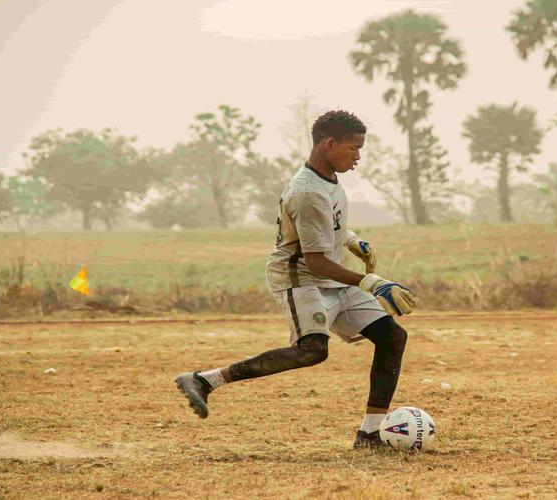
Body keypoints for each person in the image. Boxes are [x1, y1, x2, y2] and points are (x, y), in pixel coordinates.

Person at [175, 110, 418, 449]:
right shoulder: (307, 192)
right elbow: (315, 260)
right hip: (300, 278)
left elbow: (323, 225)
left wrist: (350, 240)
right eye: (354, 148)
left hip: (330, 278)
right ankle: (204, 380)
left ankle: (370, 433)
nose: (358, 157)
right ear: (329, 144)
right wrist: (372, 282)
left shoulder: (326, 179)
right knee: (311, 351)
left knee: (391, 337)